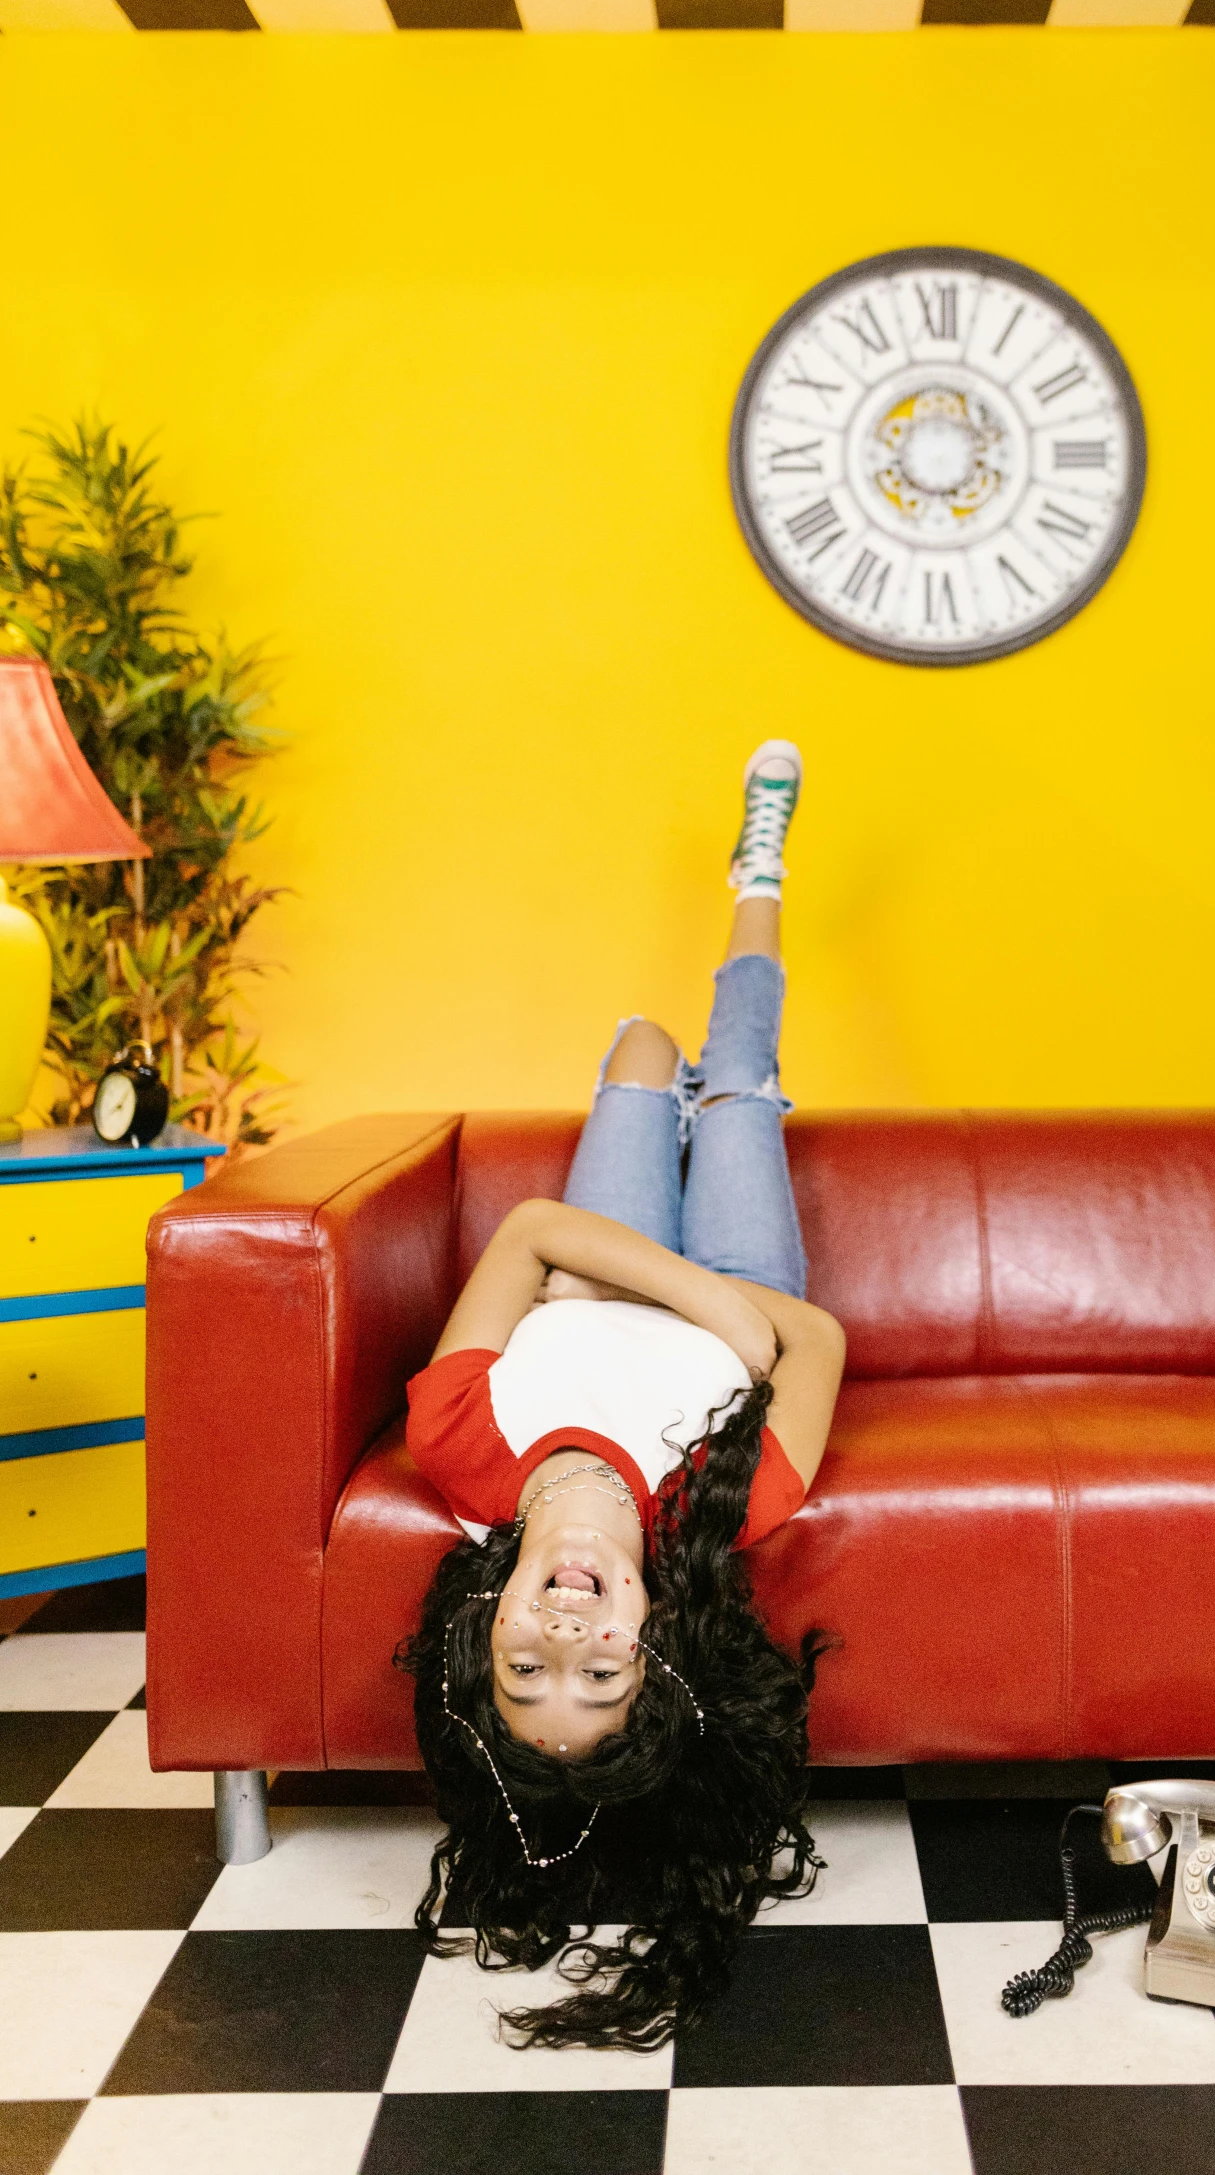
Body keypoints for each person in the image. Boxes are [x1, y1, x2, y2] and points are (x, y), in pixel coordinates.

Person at [398, 742, 846, 2049]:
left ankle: (688, 1099)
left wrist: (696, 1313)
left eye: (529, 1665)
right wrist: (723, 1297)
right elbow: (812, 1342)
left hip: (639, 1268)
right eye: (603, 1672)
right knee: (734, 1073)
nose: (569, 1634)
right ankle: (759, 866)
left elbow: (532, 1226)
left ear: (486, 1625)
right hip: (744, 1278)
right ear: (652, 1631)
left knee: (646, 1045)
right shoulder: (721, 1508)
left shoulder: (464, 1447)